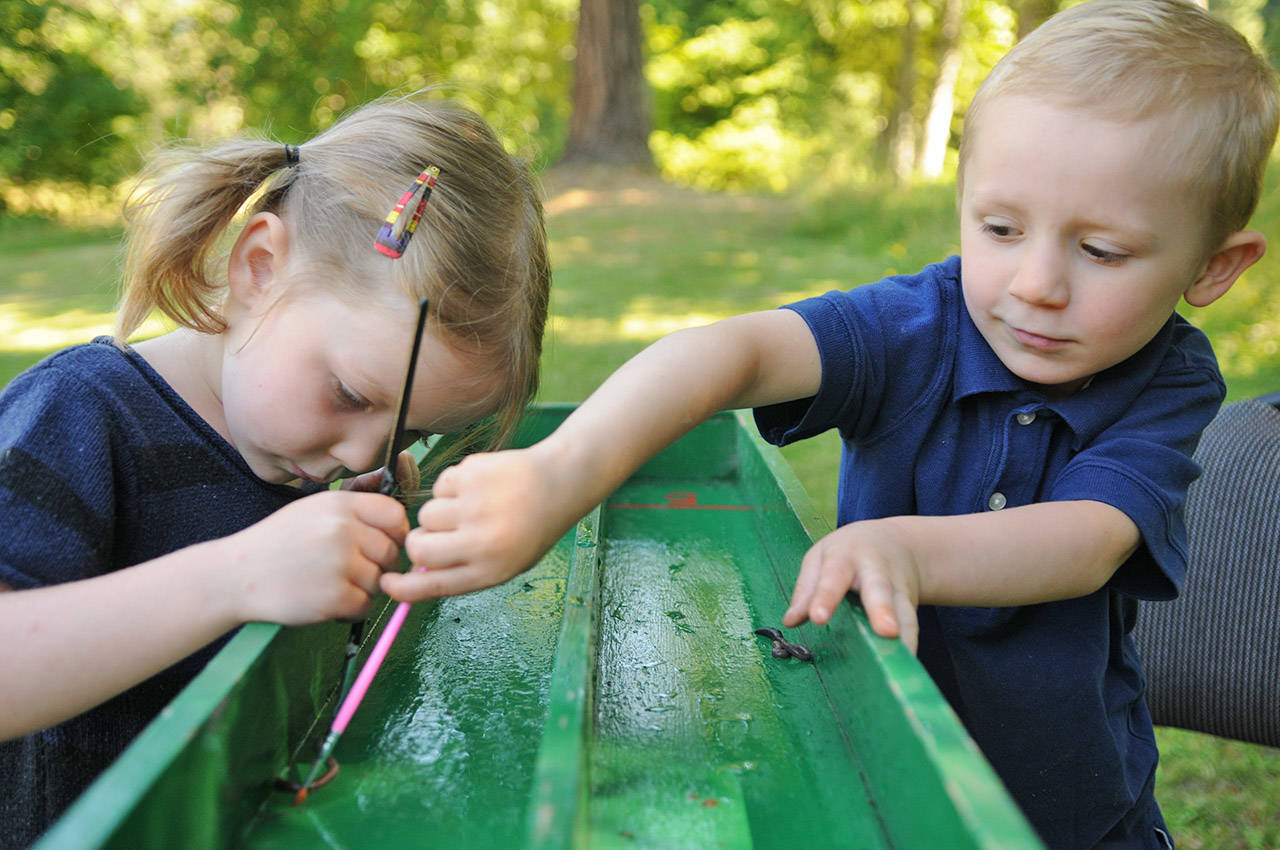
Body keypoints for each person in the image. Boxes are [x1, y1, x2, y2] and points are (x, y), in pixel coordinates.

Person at [383, 3, 1278, 848]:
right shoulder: (915, 327)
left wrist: (908, 553)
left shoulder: (1169, 379)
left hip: (1070, 814)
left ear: (1213, 266)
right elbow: (733, 353)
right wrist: (561, 473)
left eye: (1102, 251)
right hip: (874, 777)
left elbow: (1087, 541)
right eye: (1001, 228)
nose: (1036, 283)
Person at [0, 94, 550, 847]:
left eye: (410, 431)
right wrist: (235, 577)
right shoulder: (77, 414)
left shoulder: (305, 459)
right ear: (259, 268)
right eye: (350, 395)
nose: (363, 455)